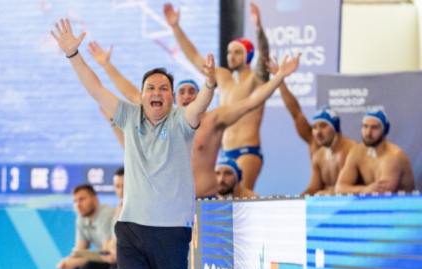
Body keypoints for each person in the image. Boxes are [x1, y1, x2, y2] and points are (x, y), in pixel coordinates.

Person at [51, 18, 216, 269]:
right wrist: (73, 55)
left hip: (171, 229)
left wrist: (208, 84)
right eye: (150, 87)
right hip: (131, 228)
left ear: (171, 97)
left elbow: (201, 105)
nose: (157, 92)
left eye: (164, 88)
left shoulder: (181, 121)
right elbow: (95, 88)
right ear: (141, 95)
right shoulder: (127, 115)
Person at [87, 42, 299, 198]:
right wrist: (106, 65)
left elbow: (252, 101)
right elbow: (133, 93)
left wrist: (279, 76)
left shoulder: (214, 119)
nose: (187, 96)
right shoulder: (164, 121)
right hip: (173, 204)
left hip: (206, 200)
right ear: (173, 98)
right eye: (182, 92)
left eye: (192, 92)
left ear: (200, 97)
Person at [163, 2, 270, 192]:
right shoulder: (223, 76)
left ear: (248, 56)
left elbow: (264, 60)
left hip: (247, 149)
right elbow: (194, 56)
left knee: (240, 196)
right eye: (229, 52)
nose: (231, 56)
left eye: (237, 52)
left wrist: (259, 29)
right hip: (225, 151)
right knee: (225, 196)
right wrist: (175, 27)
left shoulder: (255, 80)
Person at [267, 59, 356, 195]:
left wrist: (327, 194)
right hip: (324, 202)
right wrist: (280, 80)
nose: (318, 132)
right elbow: (296, 113)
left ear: (335, 128)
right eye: (314, 127)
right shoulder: (316, 147)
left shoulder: (351, 151)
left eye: (323, 126)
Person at [56, 184, 114, 269]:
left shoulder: (105, 214)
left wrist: (75, 262)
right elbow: (79, 252)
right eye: (75, 201)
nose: (78, 205)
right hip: (106, 261)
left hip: (117, 261)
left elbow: (106, 252)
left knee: (89, 267)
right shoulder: (81, 219)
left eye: (82, 199)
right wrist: (67, 262)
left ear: (94, 199)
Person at [335, 109, 415, 194]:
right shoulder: (357, 152)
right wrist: (364, 189)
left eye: (374, 128)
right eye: (365, 126)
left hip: (400, 202)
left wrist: (360, 190)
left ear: (385, 130)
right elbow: (339, 188)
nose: (368, 133)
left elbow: (382, 193)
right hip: (373, 201)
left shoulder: (393, 156)